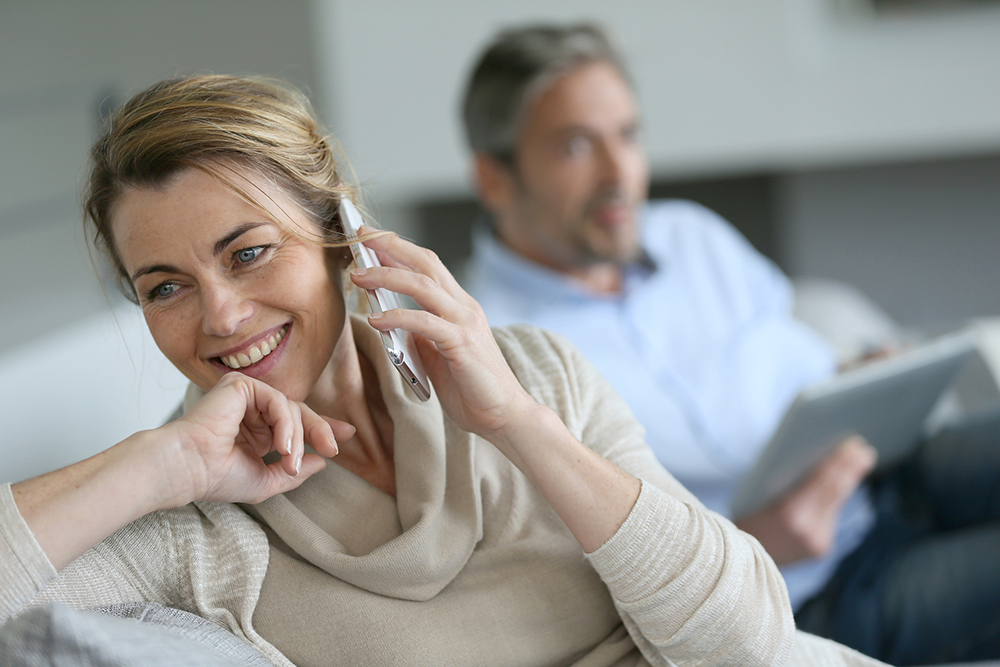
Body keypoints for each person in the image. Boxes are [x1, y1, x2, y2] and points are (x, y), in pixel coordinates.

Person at [0, 74, 884, 667]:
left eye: (251, 252)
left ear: (343, 233)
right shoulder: (193, 529)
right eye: (165, 288)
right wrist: (160, 463)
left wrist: (515, 422)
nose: (222, 316)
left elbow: (752, 642)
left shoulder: (538, 372)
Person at [460, 23, 1000, 666]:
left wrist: (861, 378)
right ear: (495, 179)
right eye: (577, 146)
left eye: (628, 136)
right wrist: (749, 544)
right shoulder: (494, 355)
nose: (619, 174)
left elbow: (797, 362)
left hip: (892, 468)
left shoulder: (691, 236)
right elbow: (574, 582)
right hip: (809, 588)